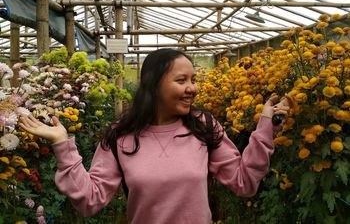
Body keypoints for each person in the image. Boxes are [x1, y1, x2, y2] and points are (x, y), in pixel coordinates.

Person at [19, 48, 290, 224]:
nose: (192, 88)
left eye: (193, 80)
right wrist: (61, 145)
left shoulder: (203, 126)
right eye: (181, 80)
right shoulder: (121, 136)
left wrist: (265, 127)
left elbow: (244, 182)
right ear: (154, 84)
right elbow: (91, 200)